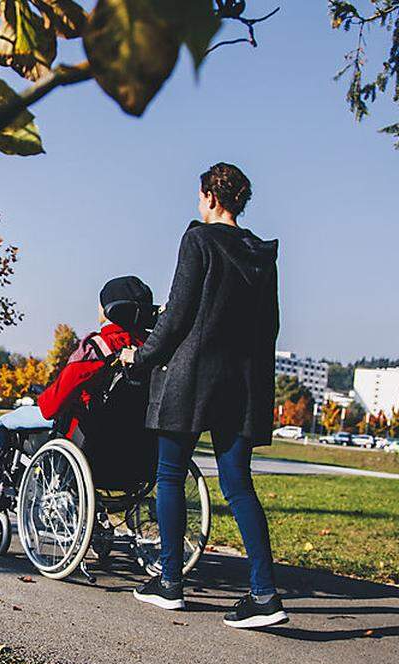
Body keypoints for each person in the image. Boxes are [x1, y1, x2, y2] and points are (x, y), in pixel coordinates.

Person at [122, 162, 286, 629]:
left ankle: (170, 583)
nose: (198, 204)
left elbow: (176, 316)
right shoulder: (262, 254)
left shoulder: (198, 241)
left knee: (170, 476)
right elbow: (270, 326)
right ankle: (264, 595)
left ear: (212, 197)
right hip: (243, 385)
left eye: (199, 197)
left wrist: (142, 356)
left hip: (193, 380)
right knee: (238, 486)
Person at [0, 276, 156, 500]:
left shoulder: (99, 347)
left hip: (88, 435)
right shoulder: (153, 348)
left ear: (110, 310)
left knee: (4, 423)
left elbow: (52, 406)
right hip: (136, 453)